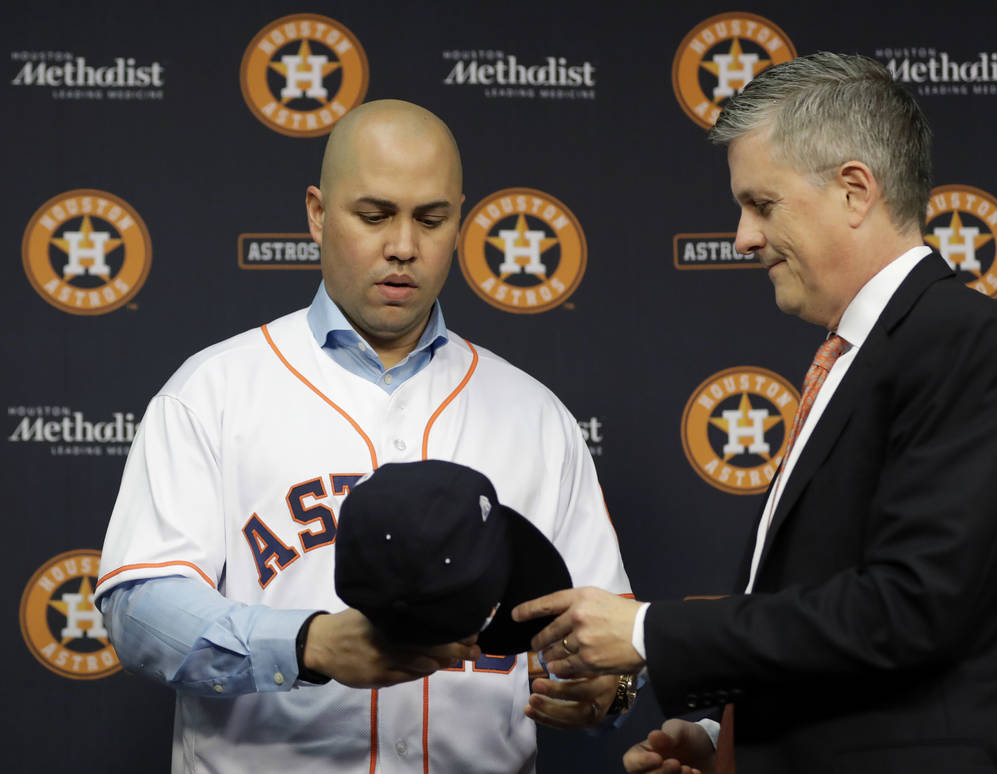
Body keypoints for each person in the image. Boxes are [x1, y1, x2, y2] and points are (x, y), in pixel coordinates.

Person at [512, 53, 997, 773]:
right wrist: (729, 740)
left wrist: (647, 630)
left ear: (855, 191)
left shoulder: (962, 341)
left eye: (762, 204)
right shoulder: (861, 355)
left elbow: (908, 611)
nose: (742, 237)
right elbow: (835, 617)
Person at [95, 99, 633, 774]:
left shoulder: (535, 416)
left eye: (431, 219)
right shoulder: (214, 390)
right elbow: (139, 608)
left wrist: (606, 689)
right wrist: (307, 645)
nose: (403, 245)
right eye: (374, 215)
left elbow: (603, 631)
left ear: (460, 221)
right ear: (317, 215)